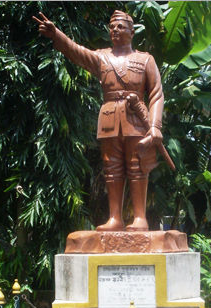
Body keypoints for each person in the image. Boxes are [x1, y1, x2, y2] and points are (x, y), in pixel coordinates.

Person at [33, 10, 165, 231]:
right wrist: (57, 35)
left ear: (132, 32)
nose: (115, 30)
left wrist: (155, 126)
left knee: (137, 167)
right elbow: (77, 52)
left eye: (120, 27)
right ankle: (115, 218)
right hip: (109, 119)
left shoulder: (145, 60)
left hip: (136, 119)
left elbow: (156, 94)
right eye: (112, 27)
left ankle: (140, 218)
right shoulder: (102, 57)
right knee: (112, 168)